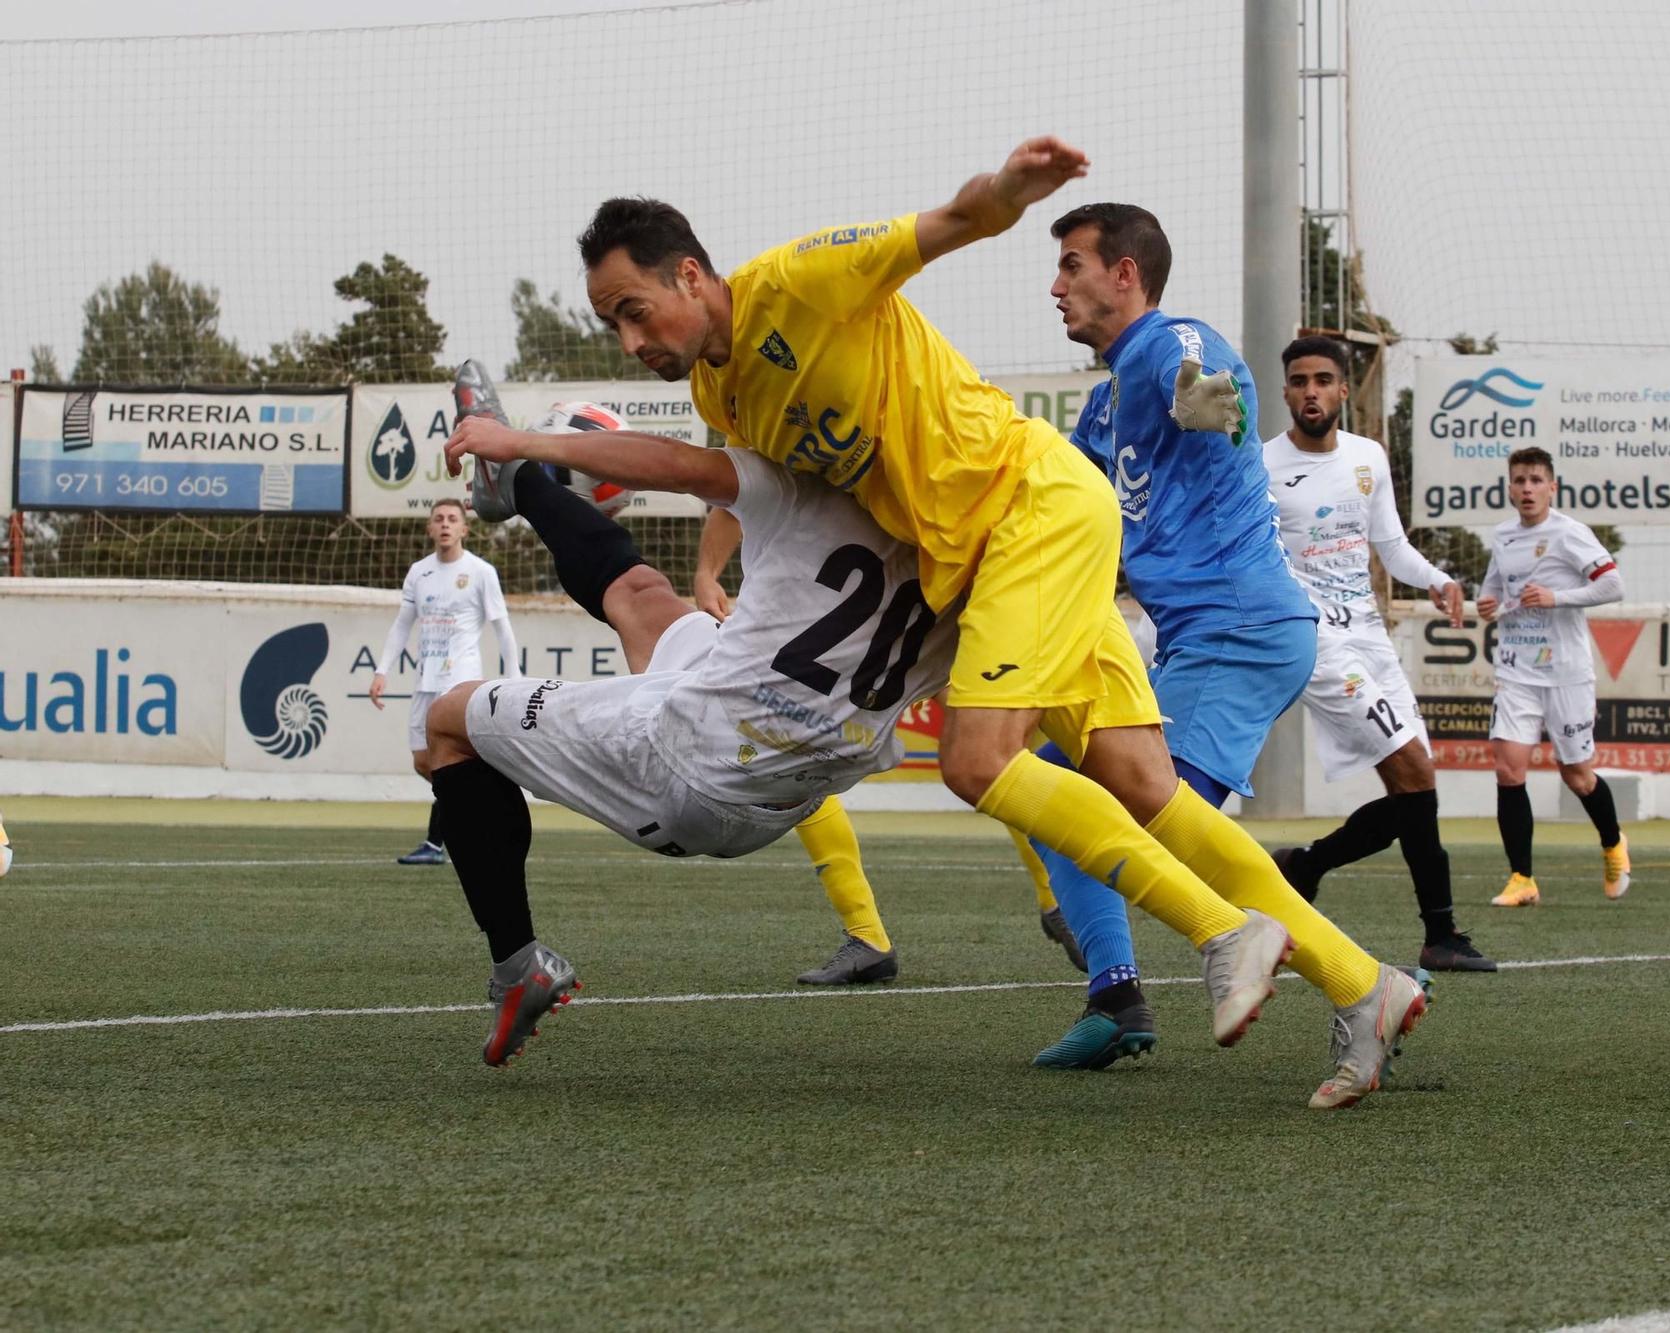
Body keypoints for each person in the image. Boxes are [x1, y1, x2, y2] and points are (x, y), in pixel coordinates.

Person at [446, 136, 1427, 1109]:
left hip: (1028, 522)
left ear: (691, 276)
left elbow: (954, 223)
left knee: (978, 763)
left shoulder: (803, 281)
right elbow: (728, 481)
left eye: (633, 312)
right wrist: (709, 568)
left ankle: (1223, 936)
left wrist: (1007, 191)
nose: (630, 342)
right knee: (1146, 790)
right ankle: (1360, 985)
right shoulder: (721, 385)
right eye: (611, 326)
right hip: (1011, 555)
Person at [440, 377, 1294, 1080]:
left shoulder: (807, 485)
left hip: (686, 764)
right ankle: (517, 492)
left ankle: (517, 965)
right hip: (789, 775)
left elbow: (675, 464)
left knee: (441, 725)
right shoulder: (983, 566)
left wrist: (527, 439)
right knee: (641, 601)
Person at [1015, 200, 1321, 1069]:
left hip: (1242, 627)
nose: (1056, 285)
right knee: (1059, 793)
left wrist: (1203, 400)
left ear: (1125, 274)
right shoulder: (1104, 412)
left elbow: (1203, 384)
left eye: (1071, 265)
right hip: (1205, 637)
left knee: (1123, 818)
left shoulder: (1168, 341)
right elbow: (1068, 513)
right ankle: (1116, 995)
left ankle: (1354, 979)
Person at [1261, 339, 1494, 974]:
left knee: (1414, 788)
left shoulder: (1367, 457)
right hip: (1317, 640)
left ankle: (1304, 867)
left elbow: (1390, 547)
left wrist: (1439, 579)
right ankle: (1440, 934)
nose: (1311, 390)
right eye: (1299, 380)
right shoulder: (1261, 466)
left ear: (1342, 391)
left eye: (1324, 380)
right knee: (1415, 771)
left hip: (1370, 635)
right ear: (1285, 392)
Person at [688, 501, 907, 988]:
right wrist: (706, 573)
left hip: (864, 618)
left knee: (985, 757)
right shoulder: (785, 441)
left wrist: (706, 573)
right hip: (845, 622)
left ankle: (1061, 898)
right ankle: (868, 937)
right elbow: (733, 494)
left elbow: (730, 490)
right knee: (792, 759)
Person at [1476, 446, 1632, 906]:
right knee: (1508, 769)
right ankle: (1522, 878)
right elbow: (1494, 589)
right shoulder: (1503, 536)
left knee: (1577, 775)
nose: (1527, 489)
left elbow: (1613, 585)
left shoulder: (1569, 534)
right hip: (1517, 670)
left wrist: (1556, 597)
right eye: (1519, 480)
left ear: (1552, 487)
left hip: (1565, 672)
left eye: (1536, 480)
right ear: (1509, 487)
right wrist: (1486, 604)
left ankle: (1613, 843)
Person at [368, 496, 519, 865]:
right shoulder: (419, 572)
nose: (446, 524)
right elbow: (403, 625)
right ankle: (478, 805)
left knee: (447, 762)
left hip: (460, 680)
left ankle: (436, 844)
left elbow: (502, 627)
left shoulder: (481, 572)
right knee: (423, 763)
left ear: (465, 528)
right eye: (439, 519)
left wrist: (513, 677)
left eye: (453, 518)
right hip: (426, 680)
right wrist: (381, 669)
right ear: (430, 528)